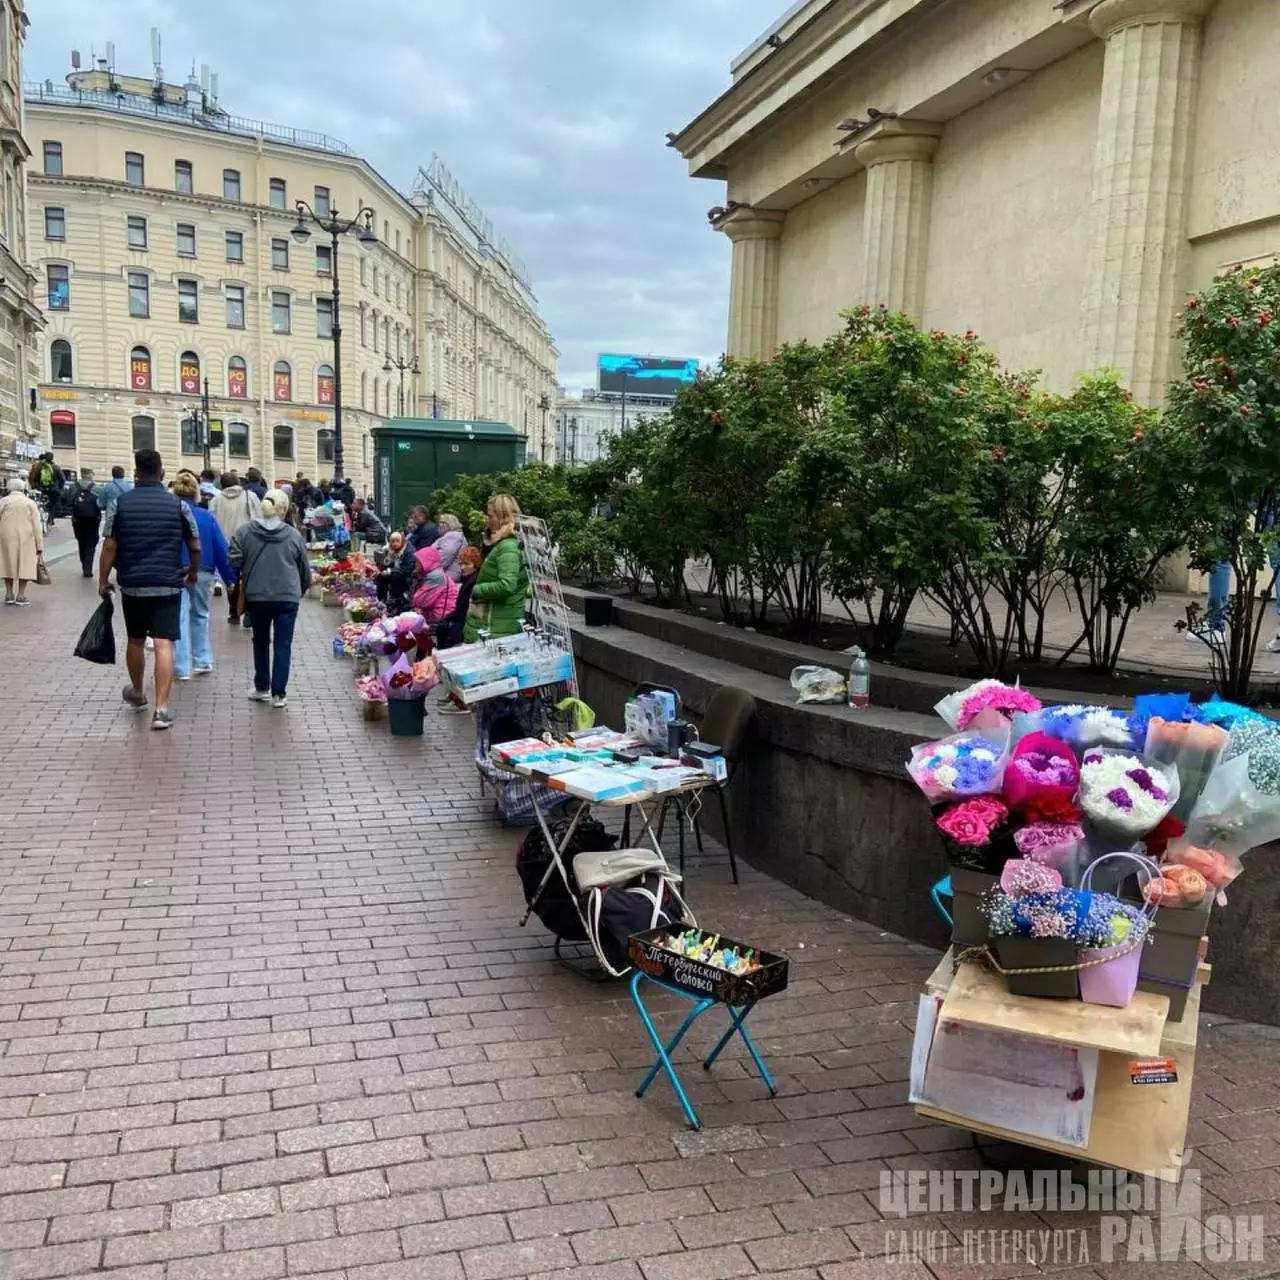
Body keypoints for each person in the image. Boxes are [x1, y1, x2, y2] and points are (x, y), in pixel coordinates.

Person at [98, 449, 200, 731]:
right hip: (168, 584)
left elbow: (109, 545)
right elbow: (195, 545)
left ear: (136, 472)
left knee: (135, 640)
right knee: (164, 643)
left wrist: (103, 580)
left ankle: (138, 692)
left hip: (133, 584)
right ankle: (162, 709)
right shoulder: (178, 505)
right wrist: (192, 571)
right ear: (161, 472)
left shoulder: (120, 503)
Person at [229, 488, 310, 708]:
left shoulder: (244, 532)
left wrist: (245, 571)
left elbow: (233, 560)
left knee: (261, 641)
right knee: (283, 644)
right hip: (287, 596)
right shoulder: (294, 535)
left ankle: (262, 687)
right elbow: (304, 568)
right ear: (282, 510)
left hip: (257, 595)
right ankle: (279, 694)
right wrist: (300, 589)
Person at [170, 472, 235, 681]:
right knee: (200, 614)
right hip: (203, 571)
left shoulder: (170, 514)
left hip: (175, 571)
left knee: (178, 617)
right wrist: (229, 578)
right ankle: (202, 659)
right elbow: (220, 548)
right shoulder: (206, 517)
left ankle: (180, 667)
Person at [463, 495, 528, 643]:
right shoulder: (503, 544)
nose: (488, 519)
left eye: (491, 516)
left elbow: (507, 585)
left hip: (495, 627)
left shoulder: (507, 546)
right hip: (494, 623)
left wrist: (476, 590)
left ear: (503, 517)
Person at [210, 473, 262, 625]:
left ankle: (234, 612)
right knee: (249, 577)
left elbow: (213, 523)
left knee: (231, 579)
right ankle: (249, 610)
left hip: (225, 545)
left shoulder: (216, 500)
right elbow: (258, 519)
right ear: (238, 482)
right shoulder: (250, 496)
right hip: (248, 543)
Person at [0, 477, 45, 605]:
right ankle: (21, 595)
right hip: (26, 538)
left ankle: (9, 593)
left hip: (5, 537)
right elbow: (37, 525)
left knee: (6, 563)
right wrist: (39, 544)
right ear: (23, 488)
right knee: (24, 565)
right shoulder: (29, 503)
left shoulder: (3, 501)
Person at [411, 545, 461, 625]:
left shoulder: (435, 576)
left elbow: (419, 601)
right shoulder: (435, 573)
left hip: (440, 617)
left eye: (418, 561)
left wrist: (418, 606)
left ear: (426, 561)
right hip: (440, 614)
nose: (415, 564)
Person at [70, 470, 103, 577]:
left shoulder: (74, 486)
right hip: (93, 519)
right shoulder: (96, 488)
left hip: (77, 518)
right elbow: (101, 503)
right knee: (91, 543)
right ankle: (87, 568)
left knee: (81, 541)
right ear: (89, 475)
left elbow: (68, 501)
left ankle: (84, 562)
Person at [432, 514, 466, 581]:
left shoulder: (453, 536)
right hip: (444, 573)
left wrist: (431, 568)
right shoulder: (450, 536)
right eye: (440, 522)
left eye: (444, 522)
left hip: (447, 574)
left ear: (452, 523)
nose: (440, 525)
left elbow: (446, 556)